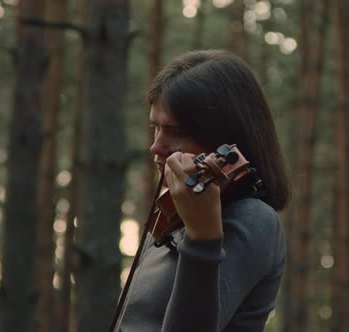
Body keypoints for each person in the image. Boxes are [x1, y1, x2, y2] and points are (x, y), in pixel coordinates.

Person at [117, 50, 290, 332]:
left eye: (176, 132)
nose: (156, 147)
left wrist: (203, 239)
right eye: (156, 128)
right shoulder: (176, 216)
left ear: (225, 140)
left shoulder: (253, 219)